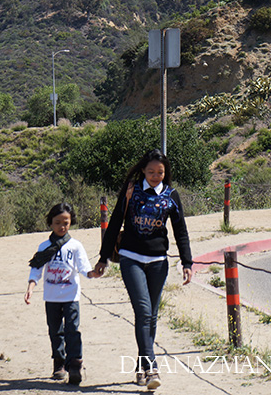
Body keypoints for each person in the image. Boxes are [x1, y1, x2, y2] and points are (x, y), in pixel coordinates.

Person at [94, 149, 193, 390]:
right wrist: (103, 257)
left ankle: (140, 365)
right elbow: (116, 220)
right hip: (131, 258)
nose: (156, 176)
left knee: (152, 316)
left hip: (159, 261)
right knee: (143, 310)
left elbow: (181, 231)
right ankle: (151, 367)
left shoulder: (171, 196)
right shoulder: (131, 191)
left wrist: (187, 262)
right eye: (151, 172)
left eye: (160, 172)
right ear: (143, 171)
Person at [24, 202, 99, 385]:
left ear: (71, 222)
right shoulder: (44, 247)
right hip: (51, 297)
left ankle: (74, 365)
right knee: (55, 331)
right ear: (51, 223)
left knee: (72, 330)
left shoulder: (75, 246)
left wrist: (92, 273)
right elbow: (36, 269)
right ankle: (59, 364)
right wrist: (31, 287)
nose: (62, 226)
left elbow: (83, 267)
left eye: (66, 222)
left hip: (71, 296)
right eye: (58, 222)